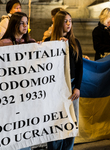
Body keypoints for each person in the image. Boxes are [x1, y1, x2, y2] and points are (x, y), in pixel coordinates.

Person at [45, 10, 83, 150]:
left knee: (72, 120)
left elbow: (80, 67)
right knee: (55, 121)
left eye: (70, 21)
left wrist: (77, 87)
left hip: (72, 86)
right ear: (58, 23)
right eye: (65, 21)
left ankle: (68, 148)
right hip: (55, 88)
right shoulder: (49, 42)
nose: (68, 24)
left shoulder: (75, 42)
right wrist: (56, 46)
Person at [0, 12, 35, 150]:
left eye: (27, 23)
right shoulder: (4, 43)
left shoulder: (31, 43)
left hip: (26, 92)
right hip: (9, 92)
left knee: (25, 124)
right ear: (14, 24)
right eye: (22, 23)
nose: (25, 26)